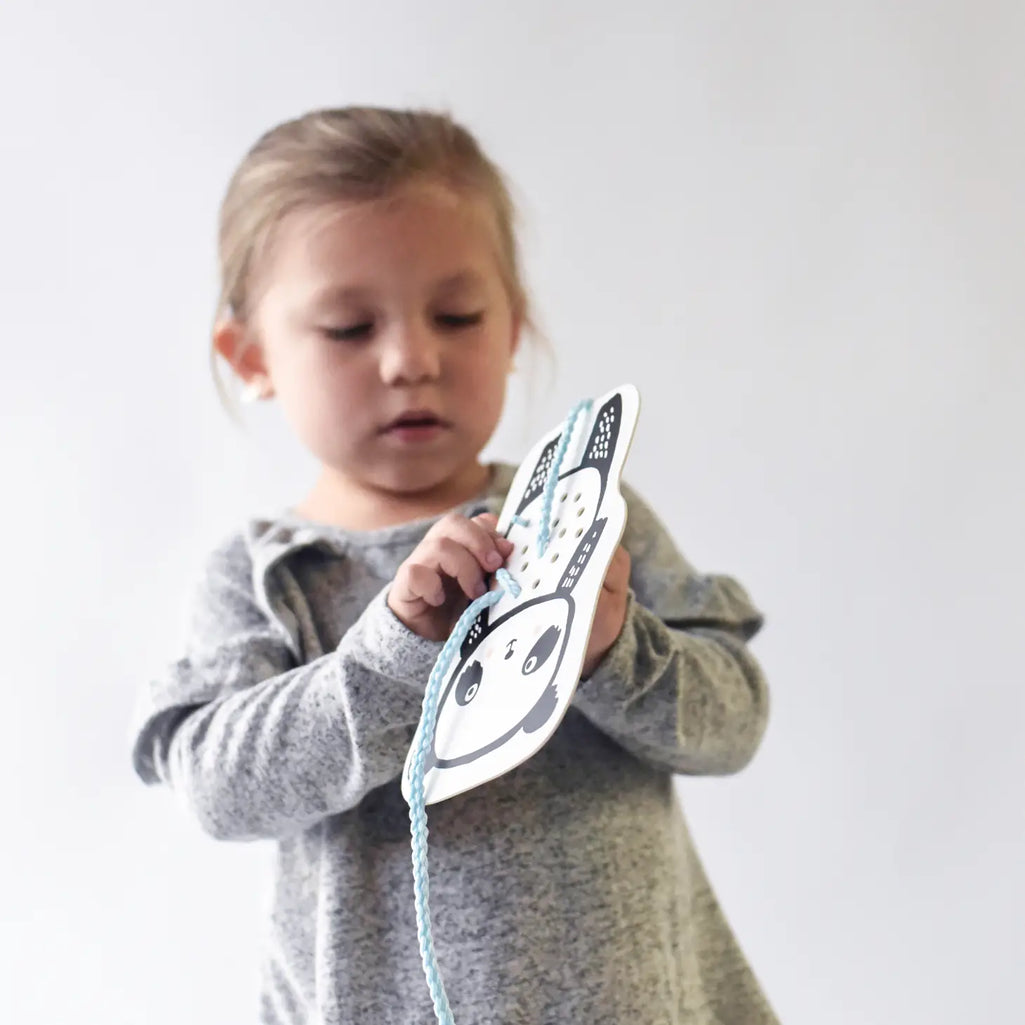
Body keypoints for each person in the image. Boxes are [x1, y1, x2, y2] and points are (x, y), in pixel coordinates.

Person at [130, 105, 780, 1025]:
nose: (411, 359)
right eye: (350, 327)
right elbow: (218, 790)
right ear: (253, 355)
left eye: (458, 314)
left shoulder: (588, 515)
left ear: (513, 327)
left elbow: (733, 720)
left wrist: (609, 653)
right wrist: (389, 653)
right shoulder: (269, 573)